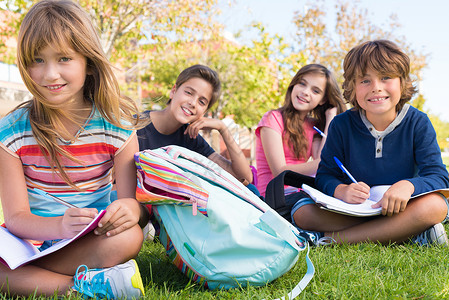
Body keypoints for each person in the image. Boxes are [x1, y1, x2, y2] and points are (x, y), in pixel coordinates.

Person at [0, 0, 149, 298]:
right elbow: (16, 218)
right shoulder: (11, 132)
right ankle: (85, 286)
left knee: (130, 237)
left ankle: (36, 279)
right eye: (37, 60)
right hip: (31, 242)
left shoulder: (116, 126)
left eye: (64, 58)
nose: (50, 74)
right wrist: (58, 226)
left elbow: (133, 204)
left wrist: (129, 211)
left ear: (88, 62)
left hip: (90, 239)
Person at [294, 40, 449, 246]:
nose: (376, 88)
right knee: (302, 213)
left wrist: (408, 185)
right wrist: (342, 190)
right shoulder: (341, 124)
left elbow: (439, 177)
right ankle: (408, 233)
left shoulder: (418, 122)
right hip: (355, 209)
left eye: (385, 78)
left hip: (403, 207)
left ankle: (331, 239)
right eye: (365, 81)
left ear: (402, 83)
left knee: (436, 206)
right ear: (352, 87)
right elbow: (325, 176)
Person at [137, 64, 253, 185]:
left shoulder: (191, 137)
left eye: (201, 102)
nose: (193, 103)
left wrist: (222, 128)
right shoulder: (135, 126)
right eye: (188, 92)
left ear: (204, 111)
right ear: (173, 91)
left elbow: (244, 178)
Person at [255, 64, 346, 198]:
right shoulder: (272, 118)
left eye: (315, 91)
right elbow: (280, 172)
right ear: (294, 85)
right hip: (274, 197)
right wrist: (323, 162)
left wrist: (330, 118)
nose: (305, 92)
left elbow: (321, 161)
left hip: (302, 194)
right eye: (302, 84)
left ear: (323, 100)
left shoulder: (314, 126)